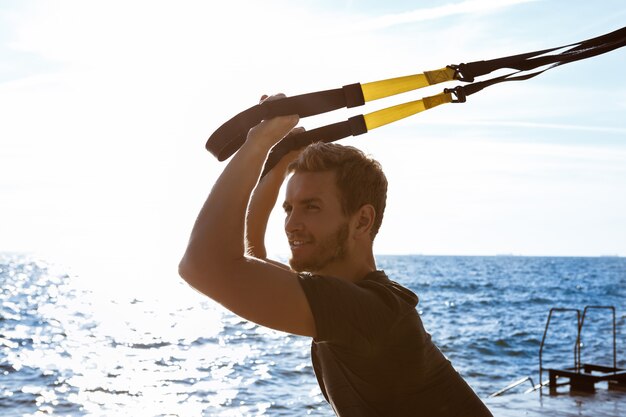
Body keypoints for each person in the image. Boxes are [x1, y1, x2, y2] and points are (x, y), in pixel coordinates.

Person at [179, 94, 493, 416]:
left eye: (311, 207)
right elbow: (253, 254)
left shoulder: (369, 312)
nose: (291, 225)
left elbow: (203, 264)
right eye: (289, 208)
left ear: (362, 221)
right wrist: (281, 159)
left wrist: (259, 142)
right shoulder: (352, 298)